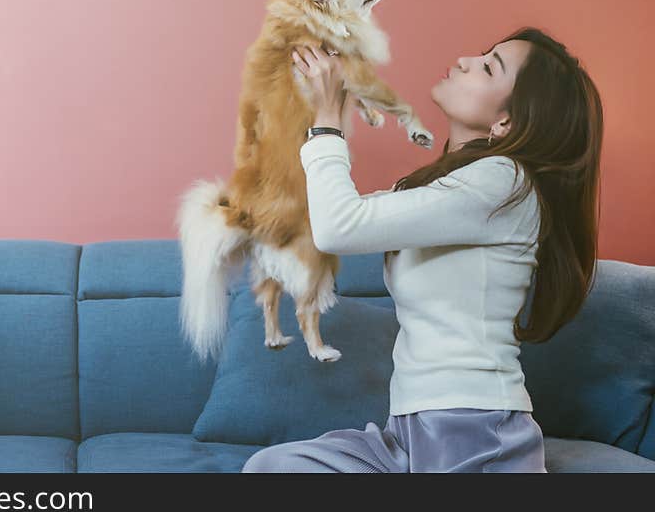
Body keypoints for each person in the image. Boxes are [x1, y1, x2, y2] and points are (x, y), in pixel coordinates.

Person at [241, 27, 603, 473]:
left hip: (476, 428)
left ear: (505, 122)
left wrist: (328, 119)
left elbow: (339, 229)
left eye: (490, 67)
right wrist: (312, 105)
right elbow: (329, 218)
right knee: (272, 468)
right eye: (483, 52)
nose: (468, 59)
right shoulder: (440, 190)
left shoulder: (505, 182)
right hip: (408, 430)